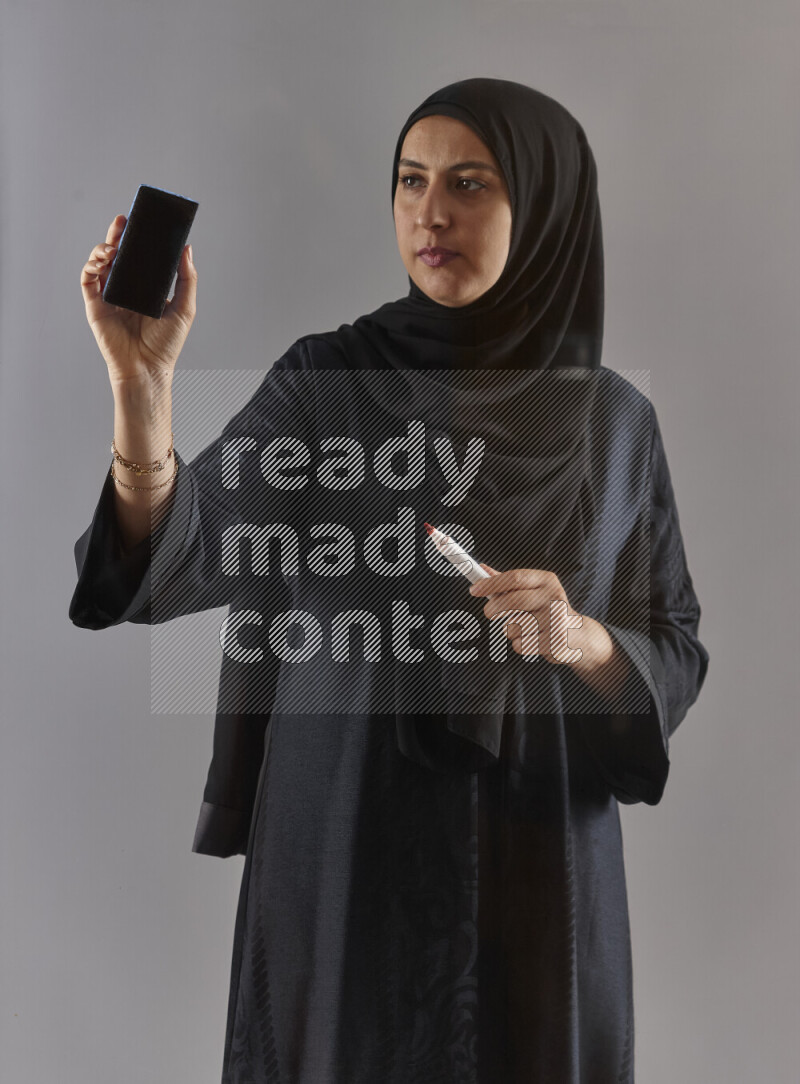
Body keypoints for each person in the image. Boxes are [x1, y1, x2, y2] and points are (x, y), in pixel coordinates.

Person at [71, 78, 709, 1084]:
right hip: (346, 850)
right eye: (410, 181)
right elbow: (177, 558)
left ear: (539, 209)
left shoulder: (614, 426)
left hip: (537, 869)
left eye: (468, 182)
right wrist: (140, 395)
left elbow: (670, 642)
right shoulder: (328, 387)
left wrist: (581, 638)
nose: (429, 212)